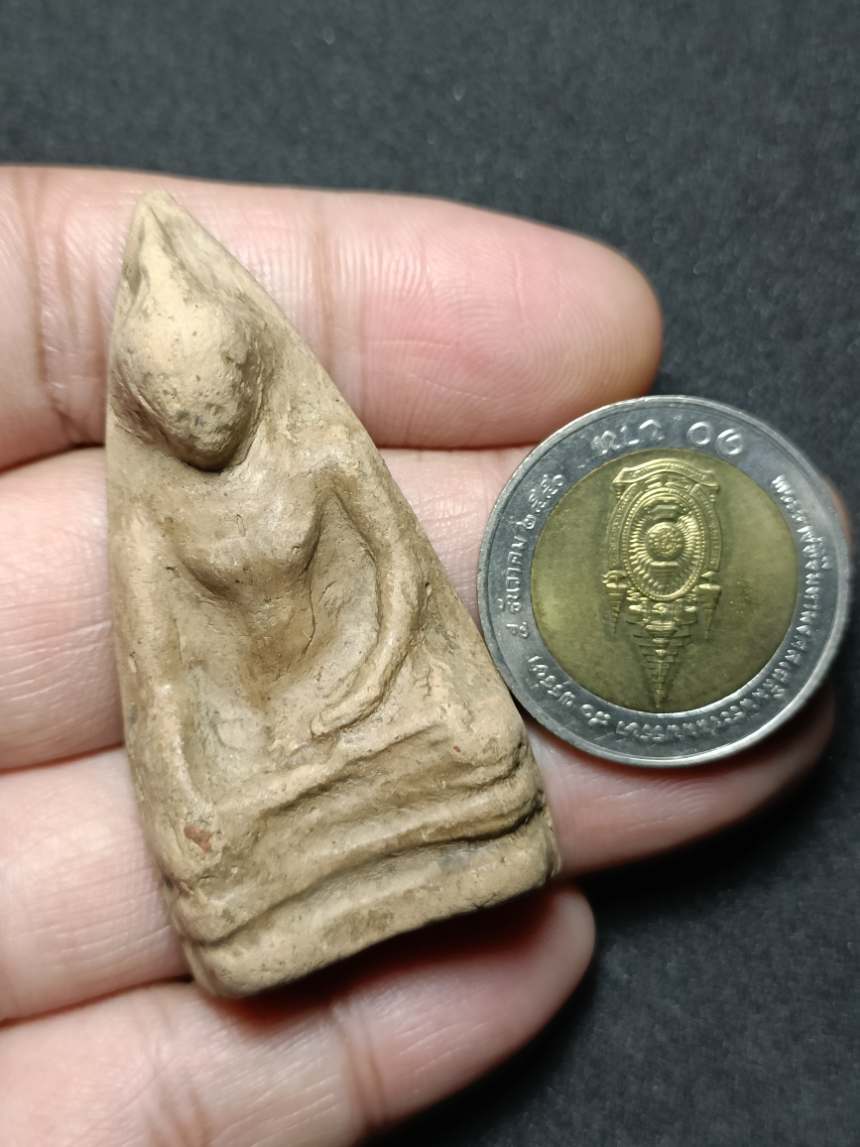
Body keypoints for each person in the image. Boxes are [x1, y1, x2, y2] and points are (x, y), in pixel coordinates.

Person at [0, 167, 835, 1145]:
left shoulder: (318, 456)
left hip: (369, 698)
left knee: (477, 740)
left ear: (252, 377)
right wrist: (192, 792)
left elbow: (402, 580)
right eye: (181, 414)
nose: (204, 426)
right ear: (149, 412)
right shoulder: (154, 523)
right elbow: (165, 686)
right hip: (260, 740)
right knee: (212, 835)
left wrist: (369, 680)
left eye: (216, 400)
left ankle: (449, 850)